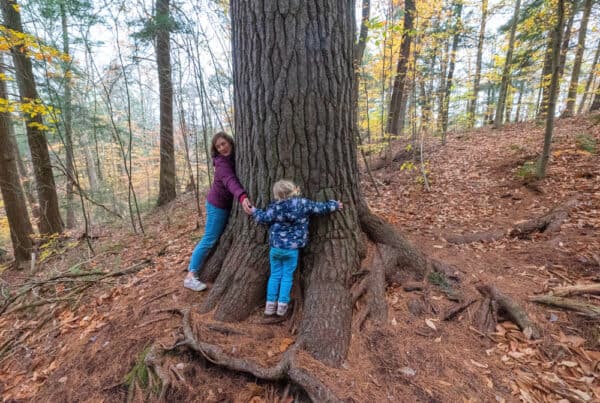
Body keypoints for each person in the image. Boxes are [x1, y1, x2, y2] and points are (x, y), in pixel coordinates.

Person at [250, 180, 342, 316]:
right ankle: (282, 305)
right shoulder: (303, 204)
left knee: (275, 275)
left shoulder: (275, 207)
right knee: (287, 276)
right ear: (293, 190)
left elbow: (263, 218)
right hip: (291, 250)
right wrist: (335, 205)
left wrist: (254, 210)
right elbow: (320, 208)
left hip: (276, 248)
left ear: (277, 194)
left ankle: (270, 305)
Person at [184, 132, 253, 291]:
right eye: (218, 146)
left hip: (224, 206)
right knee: (209, 239)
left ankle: (197, 265)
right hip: (217, 206)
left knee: (214, 239)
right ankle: (190, 275)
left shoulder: (235, 156)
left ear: (230, 141)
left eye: (224, 143)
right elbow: (230, 181)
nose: (222, 148)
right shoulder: (221, 163)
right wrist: (242, 197)